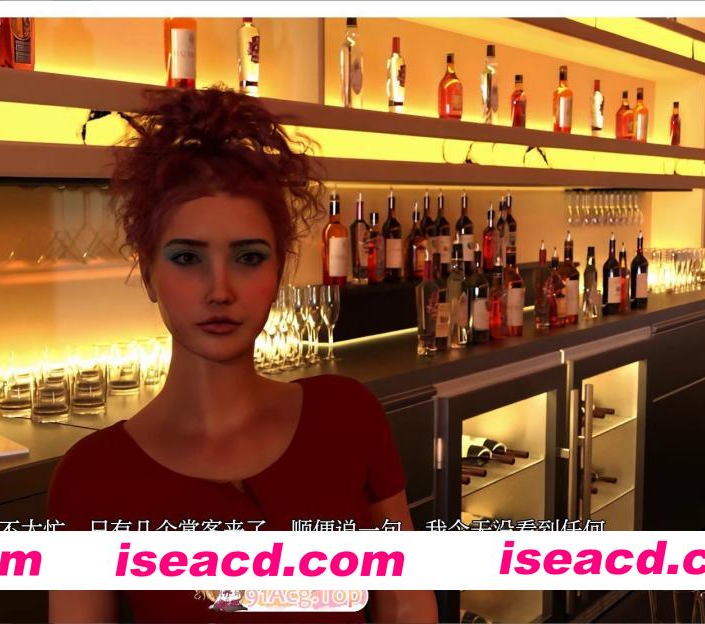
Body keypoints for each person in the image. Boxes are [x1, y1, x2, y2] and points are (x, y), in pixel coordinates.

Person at [47, 86, 438, 623]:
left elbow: (406, 601)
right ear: (148, 272)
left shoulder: (347, 416)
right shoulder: (92, 477)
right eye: (187, 258)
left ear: (279, 270)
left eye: (248, 258)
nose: (220, 290)